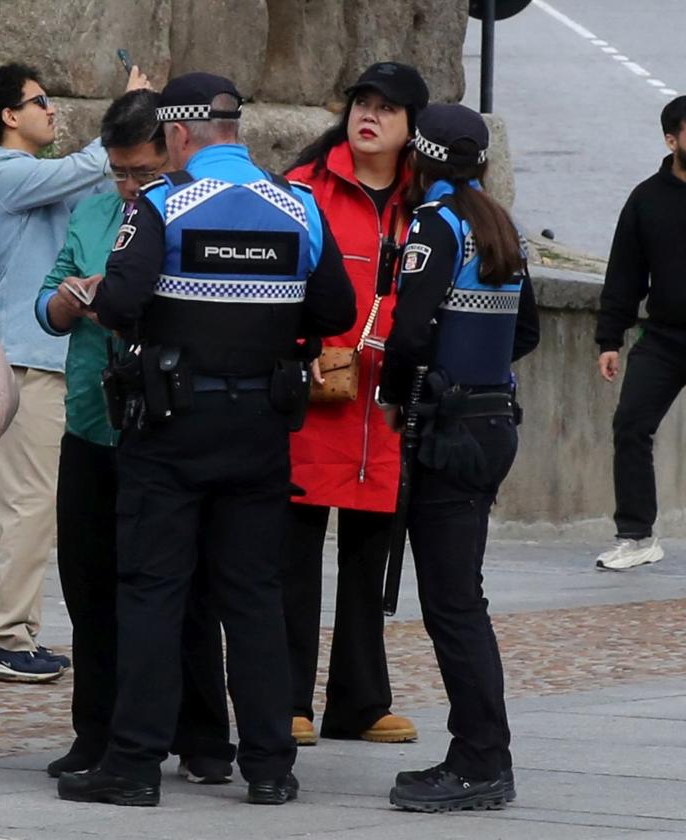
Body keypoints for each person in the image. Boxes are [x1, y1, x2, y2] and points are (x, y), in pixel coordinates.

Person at [58, 72, 356, 808]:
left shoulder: (161, 206)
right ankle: (269, 767)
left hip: (168, 431)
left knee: (154, 592)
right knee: (254, 595)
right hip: (259, 428)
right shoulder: (299, 206)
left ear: (179, 135)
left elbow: (123, 304)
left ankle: (131, 765)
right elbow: (335, 307)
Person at [35, 90, 235, 783]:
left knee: (181, 592)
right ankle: (98, 733)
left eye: (140, 173)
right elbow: (50, 293)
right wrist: (64, 301)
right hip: (93, 421)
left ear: (173, 154)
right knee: (89, 586)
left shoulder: (190, 213)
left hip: (168, 429)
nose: (126, 188)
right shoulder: (94, 210)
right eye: (117, 172)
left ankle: (204, 735)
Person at [0, 62, 148, 682]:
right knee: (30, 501)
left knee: (49, 501)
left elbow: (94, 193)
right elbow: (84, 170)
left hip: (54, 358)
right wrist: (126, 114)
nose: (52, 110)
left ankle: (15, 631)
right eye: (40, 101)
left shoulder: (38, 180)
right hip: (23, 360)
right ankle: (5, 636)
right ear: (9, 116)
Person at [379, 103, 539, 812]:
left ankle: (481, 760)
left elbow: (410, 331)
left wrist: (396, 392)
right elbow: (526, 330)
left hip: (444, 431)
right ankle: (478, 752)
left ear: (421, 160)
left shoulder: (434, 227)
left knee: (452, 603)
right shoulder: (499, 226)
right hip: (492, 422)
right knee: (458, 596)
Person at [281, 62, 428, 748]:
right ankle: (286, 698)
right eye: (361, 103)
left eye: (386, 108)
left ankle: (360, 702)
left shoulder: (426, 201)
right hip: (317, 395)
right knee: (294, 553)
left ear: (411, 128)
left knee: (372, 560)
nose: (368, 115)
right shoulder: (302, 189)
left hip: (388, 407)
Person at [594, 95, 686, 571]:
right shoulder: (646, 199)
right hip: (666, 338)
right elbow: (624, 274)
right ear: (672, 140)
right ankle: (637, 536)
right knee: (630, 425)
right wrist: (609, 339)